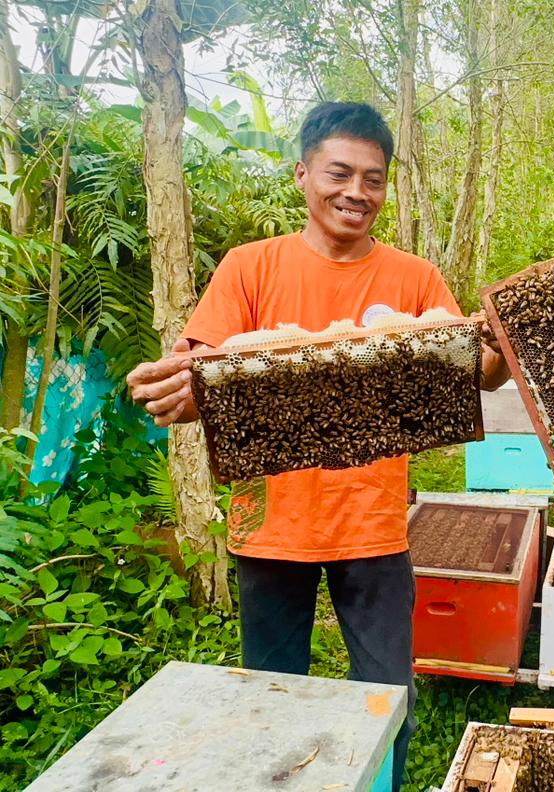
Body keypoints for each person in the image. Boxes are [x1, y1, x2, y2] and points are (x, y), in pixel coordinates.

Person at [125, 102, 509, 791]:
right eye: (339, 173)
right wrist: (175, 394)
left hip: (374, 526)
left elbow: (475, 373)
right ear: (303, 174)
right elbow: (200, 375)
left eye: (373, 179)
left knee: (388, 703)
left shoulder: (414, 278)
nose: (356, 192)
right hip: (271, 527)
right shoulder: (250, 267)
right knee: (271, 704)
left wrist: (503, 344)